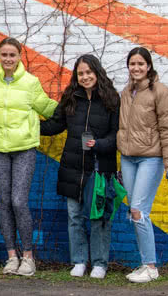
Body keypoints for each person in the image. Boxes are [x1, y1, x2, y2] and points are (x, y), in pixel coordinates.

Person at [40, 55, 119, 280]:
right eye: (80, 73)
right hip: (72, 166)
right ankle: (79, 261)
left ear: (97, 72)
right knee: (75, 216)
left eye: (88, 72)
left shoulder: (111, 98)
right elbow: (56, 124)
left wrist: (99, 145)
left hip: (99, 166)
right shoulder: (71, 97)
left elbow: (117, 134)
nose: (85, 77)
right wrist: (26, 126)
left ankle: (100, 263)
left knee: (98, 217)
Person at [0, 37, 57, 277]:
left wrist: (73, 106)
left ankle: (28, 257)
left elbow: (48, 108)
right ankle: (11, 256)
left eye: (12, 55)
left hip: (24, 148)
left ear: (19, 57)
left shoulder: (31, 83)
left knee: (18, 201)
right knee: (4, 202)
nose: (7, 59)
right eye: (4, 55)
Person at [117, 47, 168, 283]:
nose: (136, 68)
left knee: (138, 211)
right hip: (128, 159)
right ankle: (145, 263)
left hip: (151, 158)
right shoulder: (126, 92)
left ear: (149, 66)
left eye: (141, 63)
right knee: (136, 212)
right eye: (132, 64)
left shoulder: (161, 92)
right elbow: (123, 129)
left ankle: (151, 267)